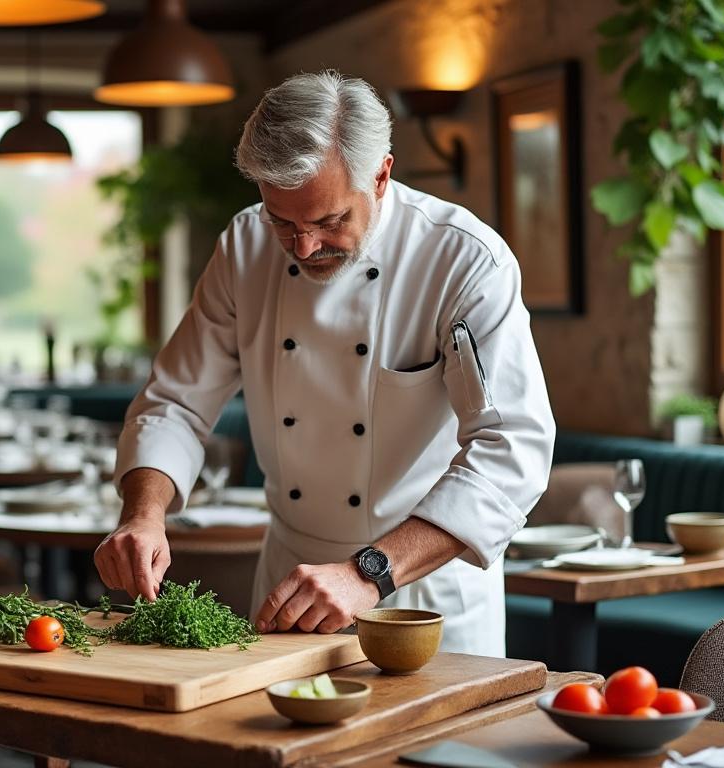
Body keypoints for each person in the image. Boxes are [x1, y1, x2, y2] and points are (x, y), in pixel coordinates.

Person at [92, 70, 555, 656]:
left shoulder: (463, 261)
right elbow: (176, 402)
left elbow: (513, 448)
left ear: (382, 175)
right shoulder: (244, 248)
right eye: (283, 221)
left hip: (426, 598)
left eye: (330, 221)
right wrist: (144, 515)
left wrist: (367, 573)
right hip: (290, 586)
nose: (304, 246)